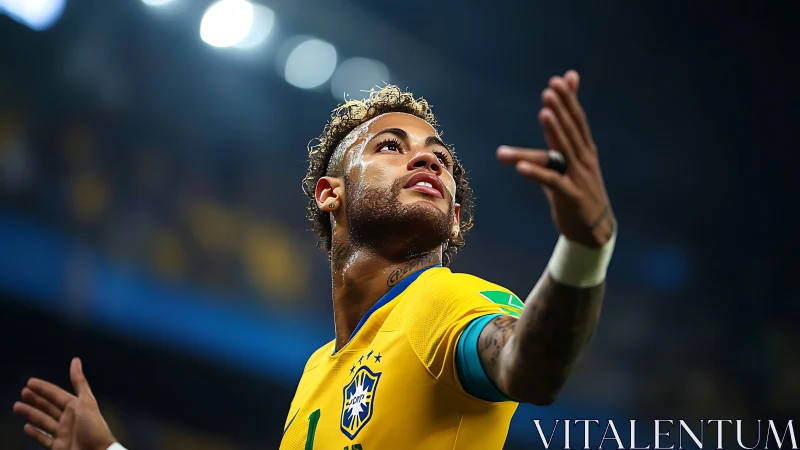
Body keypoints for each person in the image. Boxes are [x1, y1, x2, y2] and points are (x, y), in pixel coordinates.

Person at [13, 70, 617, 449]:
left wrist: (585, 248)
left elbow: (530, 367)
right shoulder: (314, 377)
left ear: (454, 218)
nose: (430, 161)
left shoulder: (446, 302)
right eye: (390, 146)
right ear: (331, 193)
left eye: (441, 159)